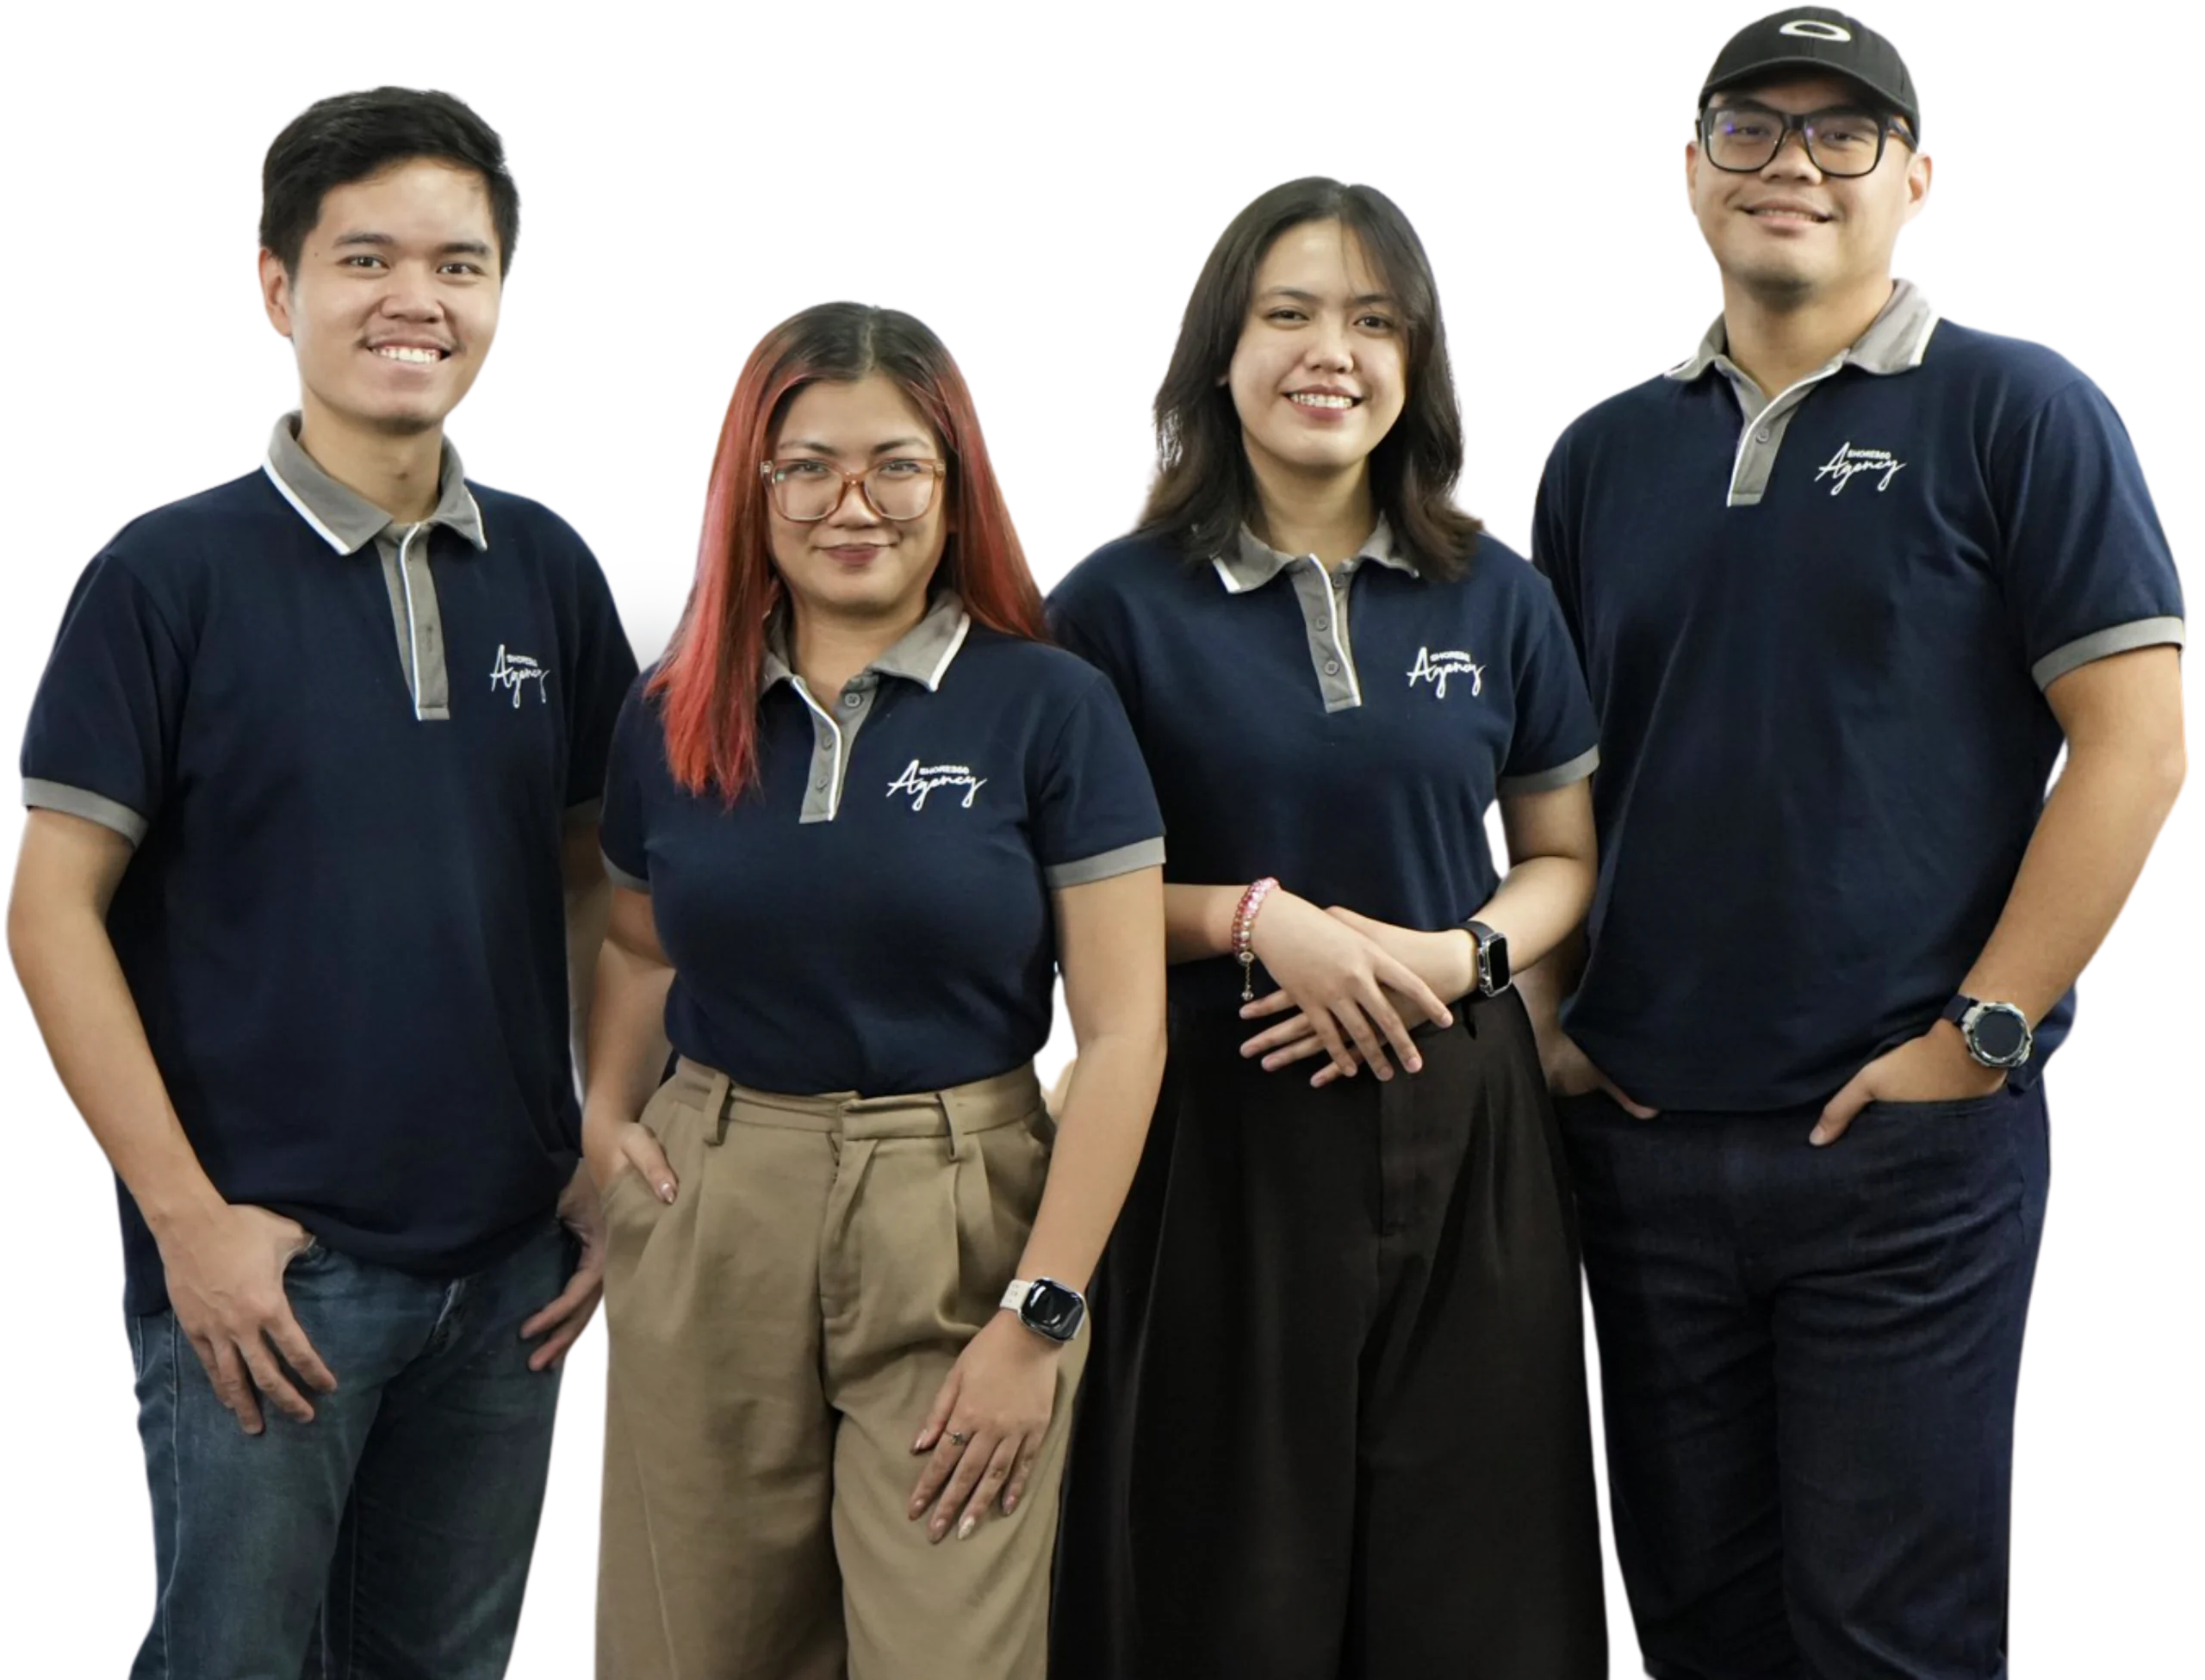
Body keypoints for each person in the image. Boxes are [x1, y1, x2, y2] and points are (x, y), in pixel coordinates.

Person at [1522, 9, 2191, 1676]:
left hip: (1904, 1152)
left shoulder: (2021, 407)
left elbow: (2139, 742)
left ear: (1918, 183)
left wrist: (1985, 1031)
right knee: (1688, 1622)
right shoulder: (1605, 452)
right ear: (1692, 174)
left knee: (1889, 1633)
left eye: (1845, 135)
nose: (1794, 167)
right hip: (1645, 1140)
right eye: (1752, 129)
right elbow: (1539, 781)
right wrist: (1547, 1022)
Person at [6, 84, 639, 1677]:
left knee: (449, 1662)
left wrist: (600, 1131)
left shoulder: (555, 568)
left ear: (501, 296)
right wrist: (186, 1219)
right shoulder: (165, 575)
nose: (413, 301)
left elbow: (598, 878)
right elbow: (47, 910)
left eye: (457, 263)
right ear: (280, 289)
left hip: (508, 1267)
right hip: (272, 1264)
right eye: (366, 260)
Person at [1046, 176, 1612, 1678]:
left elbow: (1563, 856)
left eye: (1372, 320)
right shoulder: (1109, 608)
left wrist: (1461, 952)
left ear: (1416, 360)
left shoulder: (1495, 589)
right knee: (1230, 1581)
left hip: (1468, 1123)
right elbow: (1040, 903)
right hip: (1218, 1142)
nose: (1330, 352)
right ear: (1218, 355)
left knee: (1480, 1584)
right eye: (1287, 313)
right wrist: (1255, 920)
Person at [583, 298, 1168, 1679]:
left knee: (942, 1652)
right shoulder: (670, 706)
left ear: (954, 483)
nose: (856, 504)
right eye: (809, 466)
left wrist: (1042, 1313)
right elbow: (636, 942)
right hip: (716, 1202)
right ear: (752, 486)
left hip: (959, 1216)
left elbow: (1125, 1025)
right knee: (698, 1649)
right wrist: (604, 1112)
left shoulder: (1050, 706)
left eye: (899, 464)